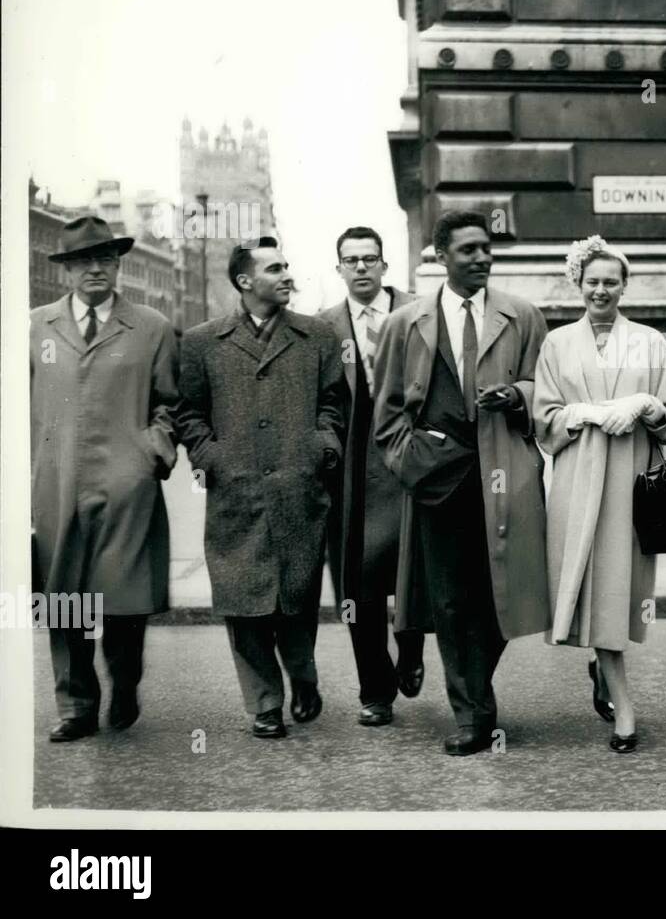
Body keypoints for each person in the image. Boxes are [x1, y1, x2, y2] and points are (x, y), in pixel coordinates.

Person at [371, 210, 550, 756]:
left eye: (486, 248)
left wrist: (516, 395)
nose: (481, 258)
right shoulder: (407, 323)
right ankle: (473, 714)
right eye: (468, 250)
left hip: (505, 474)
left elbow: (547, 388)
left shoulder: (522, 316)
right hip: (436, 481)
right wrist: (412, 462)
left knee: (502, 594)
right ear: (440, 255)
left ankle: (476, 685)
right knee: (448, 601)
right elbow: (388, 413)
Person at [176, 237, 345, 739]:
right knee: (243, 605)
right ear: (245, 282)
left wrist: (323, 446)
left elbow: (332, 402)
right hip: (236, 494)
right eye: (275, 269)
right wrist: (210, 456)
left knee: (296, 597)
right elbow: (189, 412)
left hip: (298, 490)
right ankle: (265, 702)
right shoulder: (203, 341)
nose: (288, 275)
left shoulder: (317, 336)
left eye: (289, 266)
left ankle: (302, 675)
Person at [532, 236, 666, 753]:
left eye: (611, 281)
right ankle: (621, 702)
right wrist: (587, 413)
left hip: (630, 482)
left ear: (625, 285)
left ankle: (609, 678)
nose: (601, 290)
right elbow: (545, 418)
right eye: (592, 281)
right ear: (577, 283)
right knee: (585, 584)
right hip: (578, 480)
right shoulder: (556, 344)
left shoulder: (650, 342)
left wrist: (646, 405)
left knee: (619, 589)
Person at [31, 217, 180, 742]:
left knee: (123, 597)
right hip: (55, 483)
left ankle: (125, 681)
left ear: (117, 266)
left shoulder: (152, 327)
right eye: (84, 261)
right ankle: (75, 705)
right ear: (68, 268)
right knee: (63, 597)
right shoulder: (35, 327)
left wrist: (151, 453)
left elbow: (170, 403)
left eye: (106, 260)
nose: (96, 269)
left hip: (127, 481)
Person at [318, 226, 425, 726]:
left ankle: (410, 649)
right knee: (358, 585)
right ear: (338, 268)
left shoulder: (421, 310)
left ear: (385, 265)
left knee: (412, 571)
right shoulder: (324, 327)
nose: (361, 268)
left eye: (369, 259)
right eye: (350, 260)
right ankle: (374, 691)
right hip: (355, 472)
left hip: (412, 463)